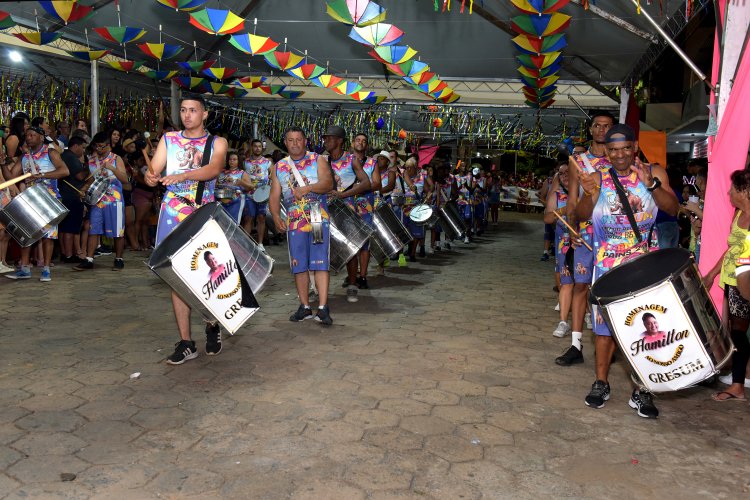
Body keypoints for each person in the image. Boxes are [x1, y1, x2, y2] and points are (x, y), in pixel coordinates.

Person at [575, 123, 678, 418]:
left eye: (625, 149)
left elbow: (672, 208)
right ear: (606, 152)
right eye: (613, 150)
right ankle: (601, 382)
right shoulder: (596, 178)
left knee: (645, 329)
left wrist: (652, 186)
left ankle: (641, 389)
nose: (620, 155)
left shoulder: (654, 173)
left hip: (645, 266)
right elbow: (581, 215)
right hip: (606, 267)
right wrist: (589, 194)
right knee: (604, 330)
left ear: (635, 147)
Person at [144, 94, 228, 364]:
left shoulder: (217, 142)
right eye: (183, 110)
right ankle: (185, 342)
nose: (187, 115)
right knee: (176, 276)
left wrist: (182, 175)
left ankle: (212, 323)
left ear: (204, 114)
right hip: (172, 213)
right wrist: (150, 176)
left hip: (203, 213)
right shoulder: (168, 140)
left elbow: (213, 169)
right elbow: (154, 172)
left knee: (208, 273)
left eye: (193, 110)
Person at [556, 110, 615, 367]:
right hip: (585, 231)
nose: (602, 130)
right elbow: (572, 198)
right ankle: (576, 344)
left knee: (611, 291)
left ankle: (612, 344)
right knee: (580, 286)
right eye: (597, 126)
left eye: (607, 126)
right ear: (590, 130)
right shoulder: (578, 160)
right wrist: (572, 228)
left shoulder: (620, 158)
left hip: (613, 234)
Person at [269, 126, 334, 325]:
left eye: (298, 139)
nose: (295, 143)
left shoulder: (317, 160)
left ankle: (322, 307)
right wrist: (275, 216)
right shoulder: (279, 167)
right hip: (294, 219)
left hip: (315, 215)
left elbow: (328, 184)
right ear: (285, 143)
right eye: (290, 140)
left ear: (305, 141)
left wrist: (308, 188)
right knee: (299, 263)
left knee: (320, 260)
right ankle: (305, 307)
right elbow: (274, 195)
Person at [703, 169, 750, 401]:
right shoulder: (738, 214)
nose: (728, 192)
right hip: (733, 281)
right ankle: (738, 385)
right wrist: (712, 273)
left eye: (732, 188)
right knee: (738, 333)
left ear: (743, 190)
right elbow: (731, 249)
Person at [5, 126, 69, 281]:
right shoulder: (24, 156)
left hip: (49, 198)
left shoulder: (51, 152)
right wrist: (2, 164)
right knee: (27, 234)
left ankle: (46, 269)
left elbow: (64, 171)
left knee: (48, 235)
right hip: (30, 198)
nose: (28, 138)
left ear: (41, 137)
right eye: (27, 135)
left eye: (32, 135)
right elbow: (12, 177)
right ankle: (25, 268)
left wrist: (41, 175)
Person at [323, 126, 371, 303]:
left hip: (347, 208)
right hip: (325, 209)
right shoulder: (322, 160)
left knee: (351, 248)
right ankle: (319, 287)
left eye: (329, 138)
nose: (326, 141)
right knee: (325, 247)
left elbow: (366, 183)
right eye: (325, 138)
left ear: (339, 141)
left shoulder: (352, 160)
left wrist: (342, 194)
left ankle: (352, 284)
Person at [73, 132, 129, 271]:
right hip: (97, 200)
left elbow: (125, 179)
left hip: (114, 199)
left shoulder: (116, 158)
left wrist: (112, 168)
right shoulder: (92, 160)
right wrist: (84, 189)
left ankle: (119, 259)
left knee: (117, 230)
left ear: (109, 146)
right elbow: (91, 179)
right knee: (93, 228)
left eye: (101, 146)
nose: (98, 149)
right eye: (96, 146)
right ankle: (89, 259)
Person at [544, 161, 573, 338]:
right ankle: (563, 321)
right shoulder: (557, 195)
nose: (565, 176)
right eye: (561, 174)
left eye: (568, 172)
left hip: (587, 242)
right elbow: (548, 218)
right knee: (566, 281)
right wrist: (564, 210)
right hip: (564, 242)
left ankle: (587, 314)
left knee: (584, 285)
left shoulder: (585, 192)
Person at [58, 136, 88, 263]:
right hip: (72, 196)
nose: (83, 151)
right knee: (71, 228)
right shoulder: (71, 157)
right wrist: (87, 167)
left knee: (65, 227)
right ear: (76, 146)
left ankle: (66, 253)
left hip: (64, 195)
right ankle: (69, 255)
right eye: (83, 147)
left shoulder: (64, 155)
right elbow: (80, 176)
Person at [243, 139, 272, 251]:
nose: (257, 148)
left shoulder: (267, 162)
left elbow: (273, 174)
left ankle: (260, 244)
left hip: (262, 195)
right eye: (255, 146)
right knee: (248, 218)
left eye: (259, 146)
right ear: (252, 147)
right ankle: (245, 243)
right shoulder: (245, 162)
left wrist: (270, 182)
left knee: (261, 218)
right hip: (249, 195)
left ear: (262, 148)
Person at [402, 157, 433, 259]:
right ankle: (403, 250)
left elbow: (429, 189)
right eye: (407, 167)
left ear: (415, 167)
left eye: (410, 167)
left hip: (416, 206)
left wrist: (428, 195)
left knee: (416, 229)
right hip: (404, 206)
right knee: (404, 229)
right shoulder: (403, 175)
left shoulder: (421, 176)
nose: (408, 169)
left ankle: (412, 253)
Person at [217, 151, 252, 224]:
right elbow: (216, 186)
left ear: (238, 161)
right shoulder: (222, 172)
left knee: (233, 223)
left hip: (236, 203)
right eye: (230, 159)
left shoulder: (242, 173)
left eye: (234, 159)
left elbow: (251, 187)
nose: (232, 161)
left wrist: (241, 182)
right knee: (220, 223)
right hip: (222, 200)